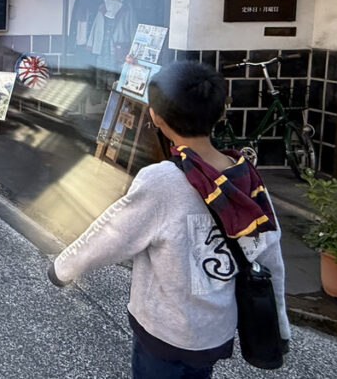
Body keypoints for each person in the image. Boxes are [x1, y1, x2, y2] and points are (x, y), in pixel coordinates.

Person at [48, 61, 289, 378]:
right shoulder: (247, 176)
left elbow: (113, 233)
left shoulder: (162, 181)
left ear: (156, 117)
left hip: (165, 332)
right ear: (221, 113)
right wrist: (280, 327)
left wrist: (63, 268)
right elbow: (270, 255)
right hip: (215, 332)